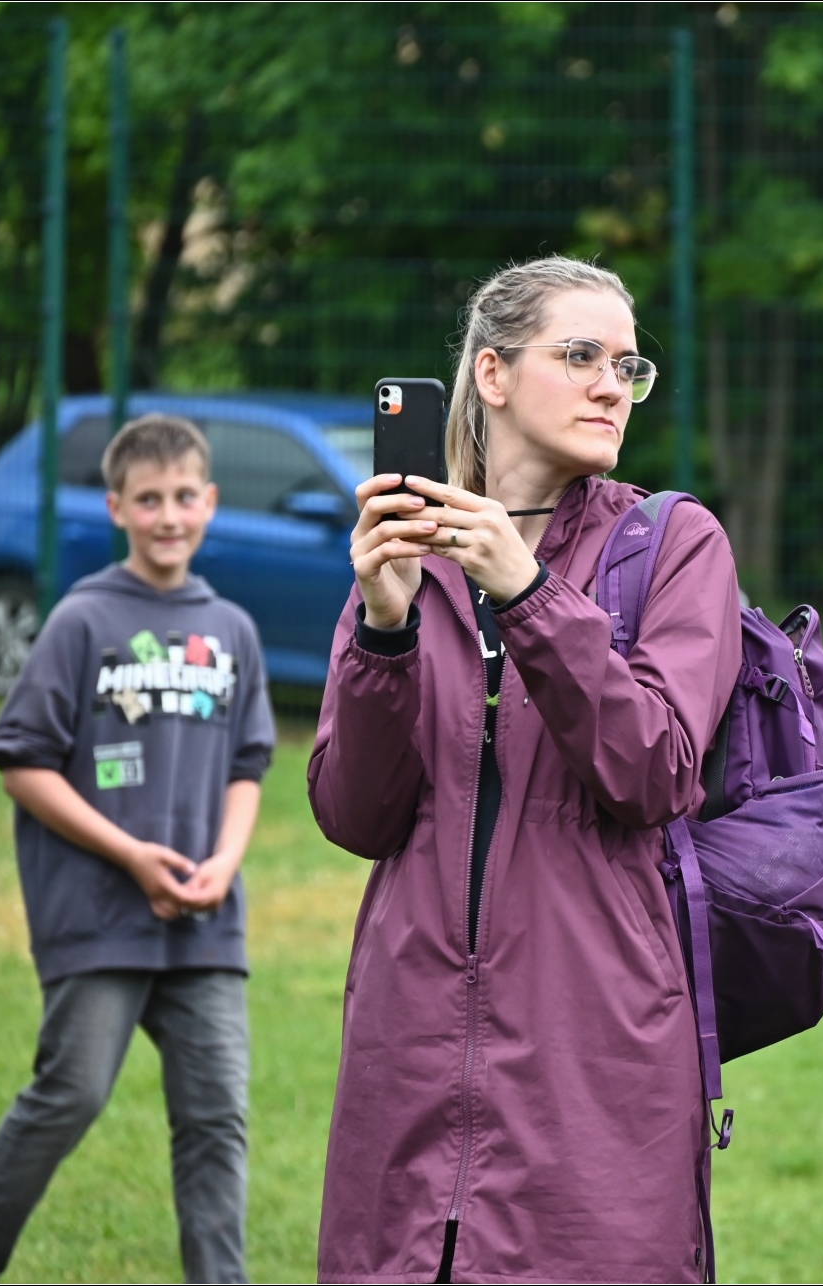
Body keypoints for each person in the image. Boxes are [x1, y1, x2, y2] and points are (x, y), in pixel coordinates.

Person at [308, 255, 742, 1283]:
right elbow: (356, 814)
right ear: (493, 373)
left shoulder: (672, 543)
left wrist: (528, 591)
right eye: (581, 355)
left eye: (627, 366)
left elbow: (655, 769)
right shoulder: (409, 550)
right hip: (406, 1054)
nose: (611, 386)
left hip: (592, 1050)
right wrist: (384, 628)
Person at [0, 414, 273, 1285]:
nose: (168, 516)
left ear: (210, 502)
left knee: (216, 1121)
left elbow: (249, 767)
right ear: (116, 508)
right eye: (148, 500)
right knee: (69, 1095)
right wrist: (132, 857)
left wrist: (223, 864)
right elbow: (22, 764)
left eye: (184, 497)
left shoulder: (231, 628)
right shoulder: (82, 619)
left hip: (205, 926)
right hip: (100, 917)